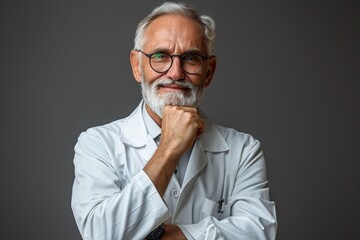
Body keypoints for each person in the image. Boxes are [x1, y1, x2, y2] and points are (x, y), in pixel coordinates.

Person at [71, 2, 277, 240]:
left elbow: (259, 233)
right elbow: (101, 234)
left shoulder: (243, 150)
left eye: (190, 58)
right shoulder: (97, 144)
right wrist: (170, 147)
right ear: (137, 66)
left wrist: (173, 236)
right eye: (160, 56)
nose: (176, 73)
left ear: (208, 72)